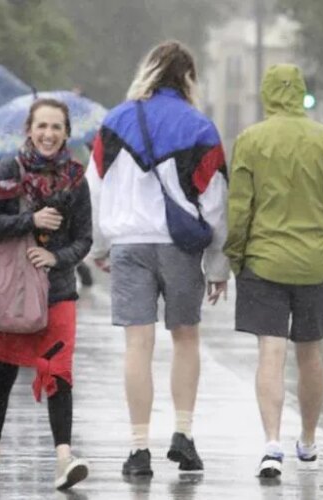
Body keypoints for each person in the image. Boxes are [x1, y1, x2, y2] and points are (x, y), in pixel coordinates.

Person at [86, 40, 229, 477]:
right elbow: (216, 199)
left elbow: (94, 188)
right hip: (180, 246)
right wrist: (218, 263)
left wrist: (99, 246)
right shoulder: (200, 127)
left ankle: (138, 448)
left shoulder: (114, 122)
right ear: (188, 79)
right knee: (186, 339)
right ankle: (183, 436)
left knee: (137, 345)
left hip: (129, 244)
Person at [223, 63, 323, 479]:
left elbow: (239, 206)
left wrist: (236, 255)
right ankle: (309, 439)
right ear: (301, 93)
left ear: (267, 94)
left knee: (271, 350)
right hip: (317, 262)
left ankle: (271, 443)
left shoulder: (250, 140)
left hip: (263, 261)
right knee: (310, 351)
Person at [0, 98, 92, 490]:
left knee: (59, 372)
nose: (48, 134)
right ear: (29, 129)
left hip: (57, 291)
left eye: (56, 127)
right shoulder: (10, 171)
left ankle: (64, 458)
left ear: (66, 134)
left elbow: (84, 239)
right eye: (42, 126)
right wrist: (31, 220)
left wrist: (56, 257)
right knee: (2, 374)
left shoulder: (77, 179)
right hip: (11, 292)